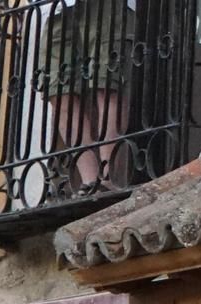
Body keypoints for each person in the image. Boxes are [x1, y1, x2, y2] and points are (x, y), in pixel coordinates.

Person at [42, 0, 138, 193]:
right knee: (59, 94)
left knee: (107, 84)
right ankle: (89, 181)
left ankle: (107, 179)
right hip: (53, 8)